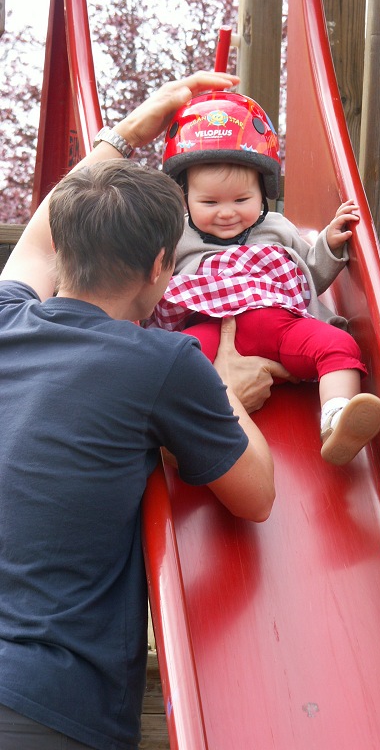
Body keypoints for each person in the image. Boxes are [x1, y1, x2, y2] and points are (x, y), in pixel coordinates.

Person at [0, 71, 282, 750]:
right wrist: (223, 387)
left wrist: (132, 128)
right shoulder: (162, 362)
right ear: (163, 265)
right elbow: (257, 493)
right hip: (49, 701)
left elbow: (38, 239)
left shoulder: (7, 318)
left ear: (68, 253)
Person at [149, 90, 380, 466]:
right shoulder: (177, 238)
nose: (226, 213)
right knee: (172, 364)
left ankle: (337, 418)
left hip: (281, 327)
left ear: (263, 192)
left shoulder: (276, 228)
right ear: (184, 197)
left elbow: (309, 275)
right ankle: (177, 437)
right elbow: (152, 285)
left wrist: (329, 243)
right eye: (209, 203)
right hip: (214, 328)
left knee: (339, 345)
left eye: (241, 200)